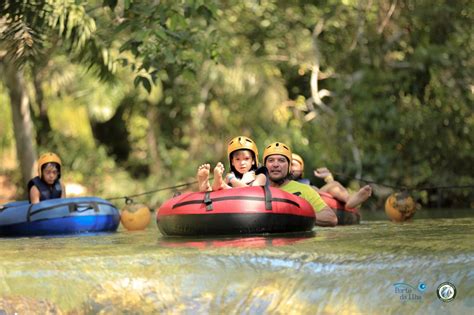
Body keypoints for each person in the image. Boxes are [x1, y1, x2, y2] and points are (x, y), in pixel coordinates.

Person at [263, 142, 337, 227]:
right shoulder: (258, 189)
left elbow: (331, 218)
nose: (275, 164)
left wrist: (298, 215)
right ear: (265, 165)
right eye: (271, 160)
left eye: (281, 160)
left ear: (289, 167)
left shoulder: (304, 190)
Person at [291, 153, 372, 209]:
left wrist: (328, 177)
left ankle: (350, 200)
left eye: (293, 165)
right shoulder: (281, 179)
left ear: (301, 169)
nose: (291, 168)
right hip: (297, 195)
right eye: (289, 164)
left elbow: (322, 192)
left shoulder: (305, 181)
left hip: (313, 195)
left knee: (333, 185)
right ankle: (349, 199)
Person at [197, 136, 266, 192]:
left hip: (249, 203)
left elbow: (253, 191)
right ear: (232, 162)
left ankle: (221, 185)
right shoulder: (230, 176)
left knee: (223, 185)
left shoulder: (260, 175)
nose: (242, 163)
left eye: (246, 159)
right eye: (237, 159)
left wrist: (232, 180)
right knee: (217, 189)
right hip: (230, 203)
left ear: (253, 160)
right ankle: (205, 187)